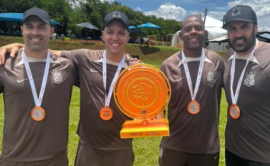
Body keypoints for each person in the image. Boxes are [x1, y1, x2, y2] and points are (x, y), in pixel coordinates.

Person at [0, 10, 138, 166]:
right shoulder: (84, 58)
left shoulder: (137, 71)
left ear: (128, 36)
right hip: (85, 149)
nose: (115, 37)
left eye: (121, 33)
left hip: (118, 148)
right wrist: (18, 45)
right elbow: (46, 50)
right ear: (102, 34)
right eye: (110, 32)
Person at [222, 5, 270, 166]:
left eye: (244, 27)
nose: (238, 34)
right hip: (233, 152)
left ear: (255, 28)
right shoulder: (229, 56)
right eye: (232, 28)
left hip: (269, 158)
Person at [0, 7, 77, 165]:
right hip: (14, 160)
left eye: (41, 27)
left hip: (55, 160)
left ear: (51, 31)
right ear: (22, 30)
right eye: (29, 27)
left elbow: (100, 76)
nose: (35, 32)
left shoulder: (66, 67)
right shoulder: (4, 64)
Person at [158, 14, 224, 166]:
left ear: (205, 33)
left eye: (198, 28)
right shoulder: (167, 65)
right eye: (188, 29)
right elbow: (158, 106)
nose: (193, 31)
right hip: (173, 146)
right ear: (181, 35)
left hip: (206, 148)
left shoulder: (217, 62)